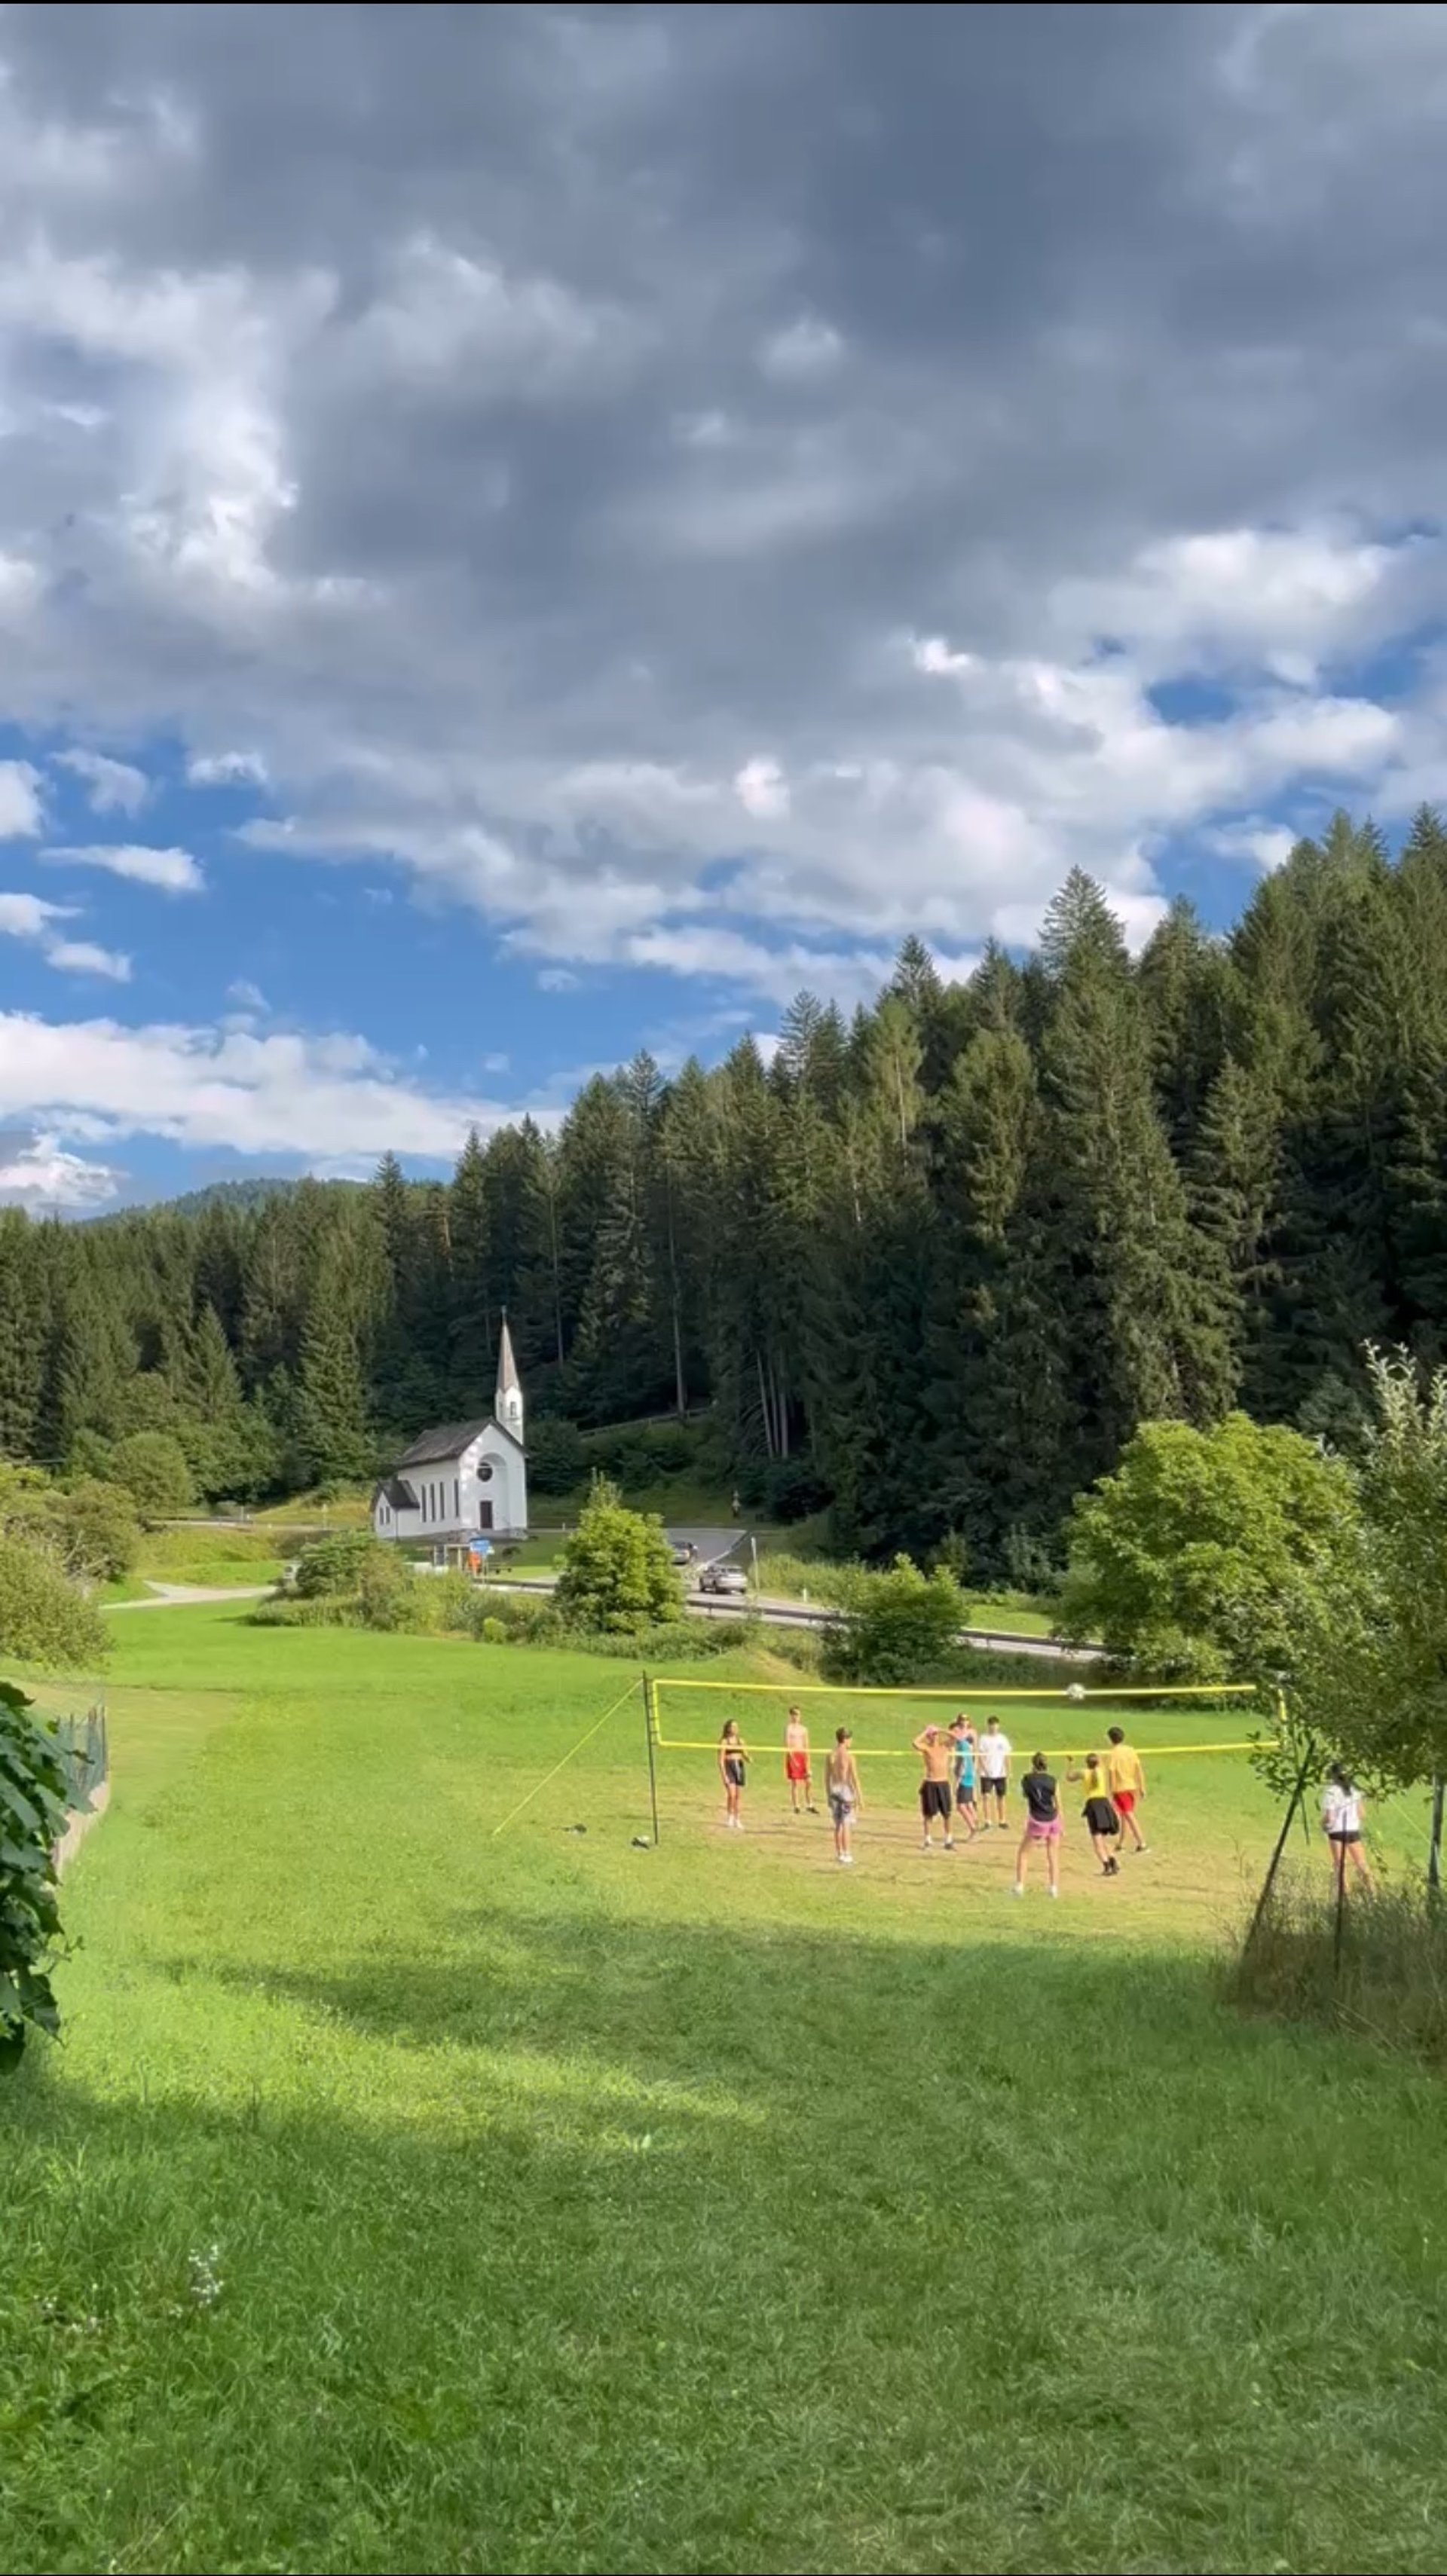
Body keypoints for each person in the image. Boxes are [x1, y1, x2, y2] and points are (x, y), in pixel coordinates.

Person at [1014, 1750, 1063, 1897]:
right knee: (1053, 1855)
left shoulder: (1027, 1779)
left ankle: (1020, 1886)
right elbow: (1059, 1804)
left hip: (1037, 1819)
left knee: (1024, 1853)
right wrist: (1062, 1823)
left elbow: (1023, 1795)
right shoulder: (1053, 1781)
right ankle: (1054, 1888)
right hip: (1053, 1819)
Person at [1321, 1763, 1373, 1893]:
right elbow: (1362, 1814)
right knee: (1361, 1863)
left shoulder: (1331, 1792)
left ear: (1333, 1776)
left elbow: (1330, 1818)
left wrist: (1322, 1824)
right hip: (1353, 1830)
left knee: (1340, 1865)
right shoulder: (1354, 1792)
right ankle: (1373, 1892)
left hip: (1337, 1831)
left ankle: (1345, 1895)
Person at [1067, 1750, 1120, 1876]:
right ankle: (1112, 1859)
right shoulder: (1100, 1772)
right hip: (1104, 1803)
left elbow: (1069, 1777)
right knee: (1104, 1837)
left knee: (1097, 1839)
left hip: (1093, 1805)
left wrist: (1070, 1763)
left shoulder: (1084, 1773)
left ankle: (1107, 1865)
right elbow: (1101, 1762)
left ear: (1087, 1764)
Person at [912, 1725, 956, 1852]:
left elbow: (956, 1738)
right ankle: (928, 1840)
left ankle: (948, 1840)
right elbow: (915, 1743)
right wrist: (926, 1732)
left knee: (947, 1814)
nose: (934, 1737)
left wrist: (941, 1730)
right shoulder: (927, 1748)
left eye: (935, 1735)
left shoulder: (945, 1747)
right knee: (928, 1814)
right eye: (932, 1735)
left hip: (943, 1782)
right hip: (931, 1783)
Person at [1105, 1726, 1149, 1853]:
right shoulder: (1130, 1750)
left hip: (1121, 1788)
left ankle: (1142, 1842)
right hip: (1131, 1786)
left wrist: (1111, 1791)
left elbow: (1112, 1773)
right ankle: (1122, 1843)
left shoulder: (1114, 1753)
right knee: (1124, 1814)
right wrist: (1142, 1786)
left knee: (1129, 1815)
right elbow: (1138, 1769)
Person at [825, 1725, 864, 1864]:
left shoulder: (831, 1755)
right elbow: (854, 1778)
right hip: (845, 1791)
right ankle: (847, 1852)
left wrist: (828, 1794)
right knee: (846, 1823)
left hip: (834, 1790)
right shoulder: (849, 1756)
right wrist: (860, 1797)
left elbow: (827, 1777)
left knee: (838, 1824)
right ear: (846, 1739)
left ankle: (840, 1852)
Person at [948, 1713, 980, 1838]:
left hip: (966, 1769)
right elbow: (951, 1742)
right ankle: (975, 1823)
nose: (964, 1722)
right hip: (964, 1767)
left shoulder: (970, 1733)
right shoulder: (958, 1731)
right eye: (961, 1720)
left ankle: (973, 1828)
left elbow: (975, 1750)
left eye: (966, 1720)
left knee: (961, 1805)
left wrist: (976, 1765)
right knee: (968, 1803)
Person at [977, 1719, 1012, 1829]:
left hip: (1000, 1773)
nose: (993, 1728)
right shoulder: (983, 1739)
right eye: (991, 1726)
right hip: (986, 1773)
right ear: (988, 1726)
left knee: (1001, 1796)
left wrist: (1009, 1770)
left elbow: (1007, 1756)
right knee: (986, 1796)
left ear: (998, 1726)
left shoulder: (1003, 1739)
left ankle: (1002, 1820)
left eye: (995, 1726)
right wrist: (984, 1769)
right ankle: (988, 1821)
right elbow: (980, 1755)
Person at [784, 1705, 818, 1816]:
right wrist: (792, 1758)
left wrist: (808, 1761)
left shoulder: (804, 1729)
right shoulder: (789, 1728)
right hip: (793, 1755)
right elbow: (787, 1744)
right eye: (794, 1714)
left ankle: (810, 1804)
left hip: (802, 1755)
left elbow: (807, 1745)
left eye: (797, 1714)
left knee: (809, 1781)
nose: (796, 1716)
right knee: (795, 1783)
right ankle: (796, 1806)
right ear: (791, 1716)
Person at [718, 1719, 749, 1831]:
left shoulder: (740, 1741)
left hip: (739, 1767)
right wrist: (724, 1775)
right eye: (733, 1727)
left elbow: (745, 1754)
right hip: (729, 1767)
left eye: (737, 1727)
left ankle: (737, 1818)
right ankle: (730, 1816)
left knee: (738, 1796)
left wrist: (748, 1758)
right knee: (731, 1794)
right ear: (728, 1728)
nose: (735, 1729)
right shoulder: (724, 1742)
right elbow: (721, 1760)